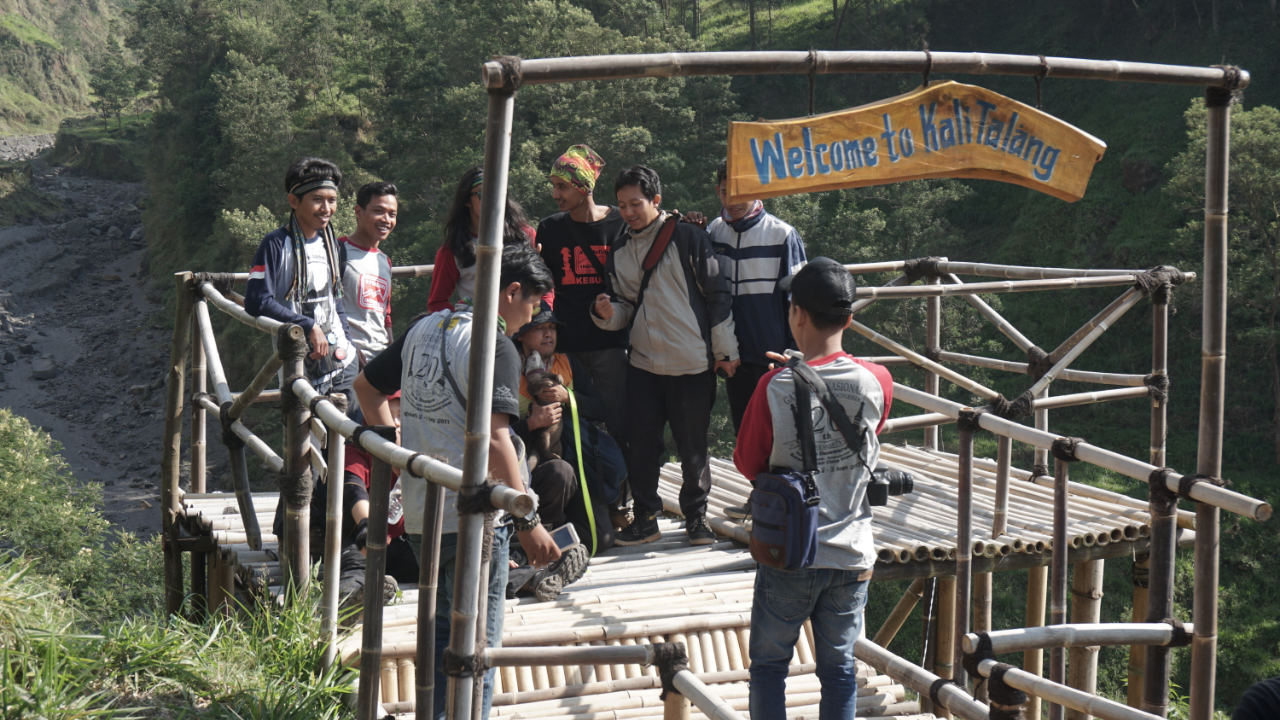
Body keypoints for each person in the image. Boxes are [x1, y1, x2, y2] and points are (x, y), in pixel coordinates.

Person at [354, 242, 560, 720]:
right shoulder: (494, 343)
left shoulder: (423, 327)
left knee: (443, 631)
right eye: (532, 305)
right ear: (511, 292)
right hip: (477, 520)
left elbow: (366, 388)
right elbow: (495, 439)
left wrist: (395, 451)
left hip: (426, 507)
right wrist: (528, 522)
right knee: (477, 648)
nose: (530, 317)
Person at [732, 257, 894, 720]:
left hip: (791, 550)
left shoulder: (773, 385)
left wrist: (791, 378)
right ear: (848, 318)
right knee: (840, 669)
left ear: (796, 313)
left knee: (768, 667)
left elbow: (749, 464)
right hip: (852, 552)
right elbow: (870, 431)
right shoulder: (878, 380)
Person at [591, 165, 739, 547]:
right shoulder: (620, 248)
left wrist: (725, 351)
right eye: (621, 205)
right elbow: (624, 306)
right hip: (642, 363)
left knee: (693, 447)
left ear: (656, 200)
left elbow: (717, 295)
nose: (628, 212)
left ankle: (697, 518)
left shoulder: (689, 237)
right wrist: (606, 315)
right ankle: (645, 518)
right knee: (642, 443)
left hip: (691, 362)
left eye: (635, 203)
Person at [535, 145, 631, 458]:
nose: (555, 194)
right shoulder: (550, 229)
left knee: (617, 418)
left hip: (612, 342)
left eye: (562, 186)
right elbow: (541, 282)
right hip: (568, 342)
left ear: (583, 186)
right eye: (554, 186)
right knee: (570, 419)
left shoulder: (620, 224)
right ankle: (581, 493)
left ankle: (620, 495)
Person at [705, 158, 807, 434]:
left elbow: (801, 302)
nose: (733, 200)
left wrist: (795, 355)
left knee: (781, 438)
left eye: (742, 190)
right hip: (735, 358)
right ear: (718, 191)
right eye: (727, 192)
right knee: (747, 436)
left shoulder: (782, 235)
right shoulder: (713, 231)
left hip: (774, 358)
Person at [245, 157, 357, 407]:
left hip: (343, 361)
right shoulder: (274, 244)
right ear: (294, 201)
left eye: (332, 200)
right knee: (308, 444)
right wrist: (307, 325)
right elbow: (256, 301)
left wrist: (349, 342)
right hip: (299, 368)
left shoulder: (334, 246)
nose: (326, 208)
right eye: (317, 199)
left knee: (347, 440)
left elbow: (335, 300)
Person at [511, 305, 617, 556]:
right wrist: (531, 424)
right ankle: (538, 538)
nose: (549, 334)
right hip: (523, 466)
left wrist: (568, 397)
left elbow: (600, 408)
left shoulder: (566, 363)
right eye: (540, 328)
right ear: (522, 335)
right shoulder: (509, 367)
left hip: (578, 461)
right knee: (560, 472)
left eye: (552, 328)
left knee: (600, 539)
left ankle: (556, 539)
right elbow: (492, 430)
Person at [427, 167, 551, 313]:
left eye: (498, 191)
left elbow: (545, 285)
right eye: (483, 194)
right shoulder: (453, 250)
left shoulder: (525, 235)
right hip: (480, 331)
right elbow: (437, 303)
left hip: (526, 326)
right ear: (467, 201)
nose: (493, 198)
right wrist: (465, 320)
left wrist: (542, 314)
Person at [340, 181, 398, 366]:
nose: (386, 220)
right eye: (378, 211)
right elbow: (325, 308)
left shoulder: (384, 261)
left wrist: (391, 349)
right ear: (358, 212)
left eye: (392, 214)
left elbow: (384, 313)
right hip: (346, 359)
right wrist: (349, 348)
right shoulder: (336, 251)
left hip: (380, 359)